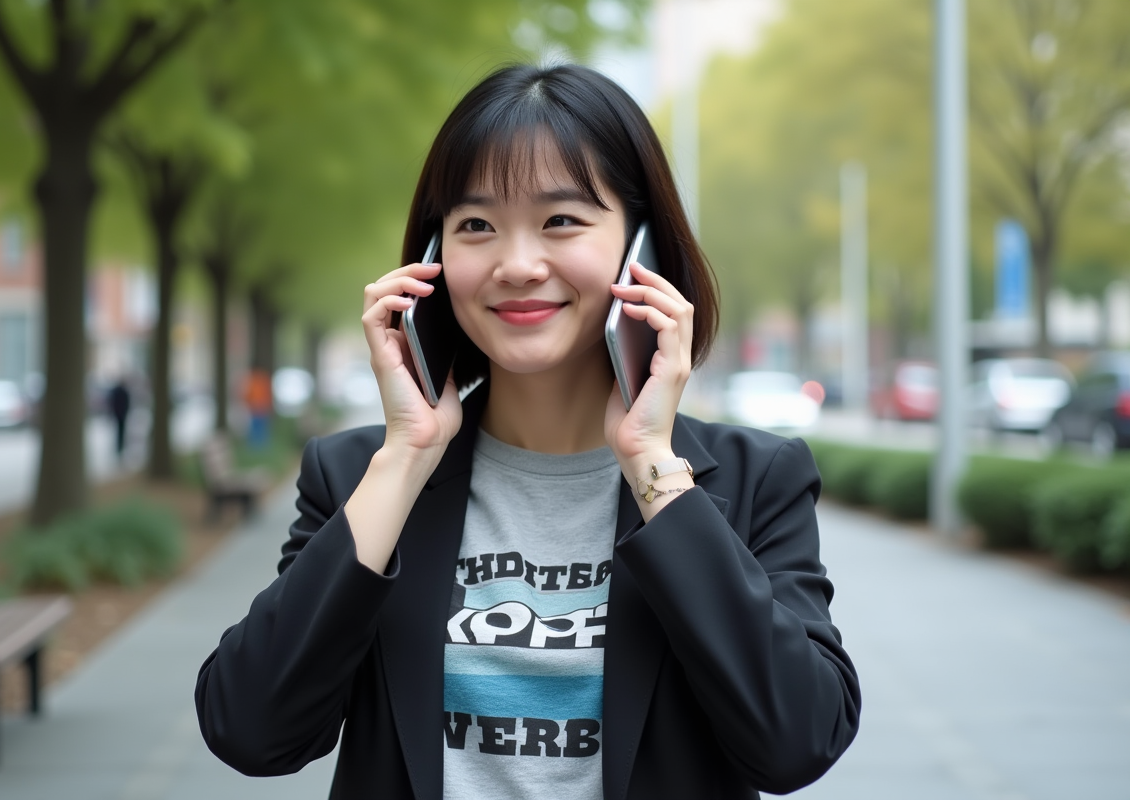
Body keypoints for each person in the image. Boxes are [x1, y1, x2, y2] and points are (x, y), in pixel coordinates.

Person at [195, 64, 860, 799]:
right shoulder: (361, 479)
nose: (516, 265)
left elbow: (798, 742)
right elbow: (250, 732)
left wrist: (650, 465)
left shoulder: (751, 480)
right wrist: (405, 458)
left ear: (641, 252)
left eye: (561, 221)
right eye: (476, 226)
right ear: (431, 264)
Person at [106, 376, 132, 461]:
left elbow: (112, 402)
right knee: (121, 431)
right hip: (122, 414)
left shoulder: (116, 391)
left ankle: (119, 447)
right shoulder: (123, 391)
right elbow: (127, 403)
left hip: (118, 414)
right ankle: (119, 447)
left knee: (119, 431)